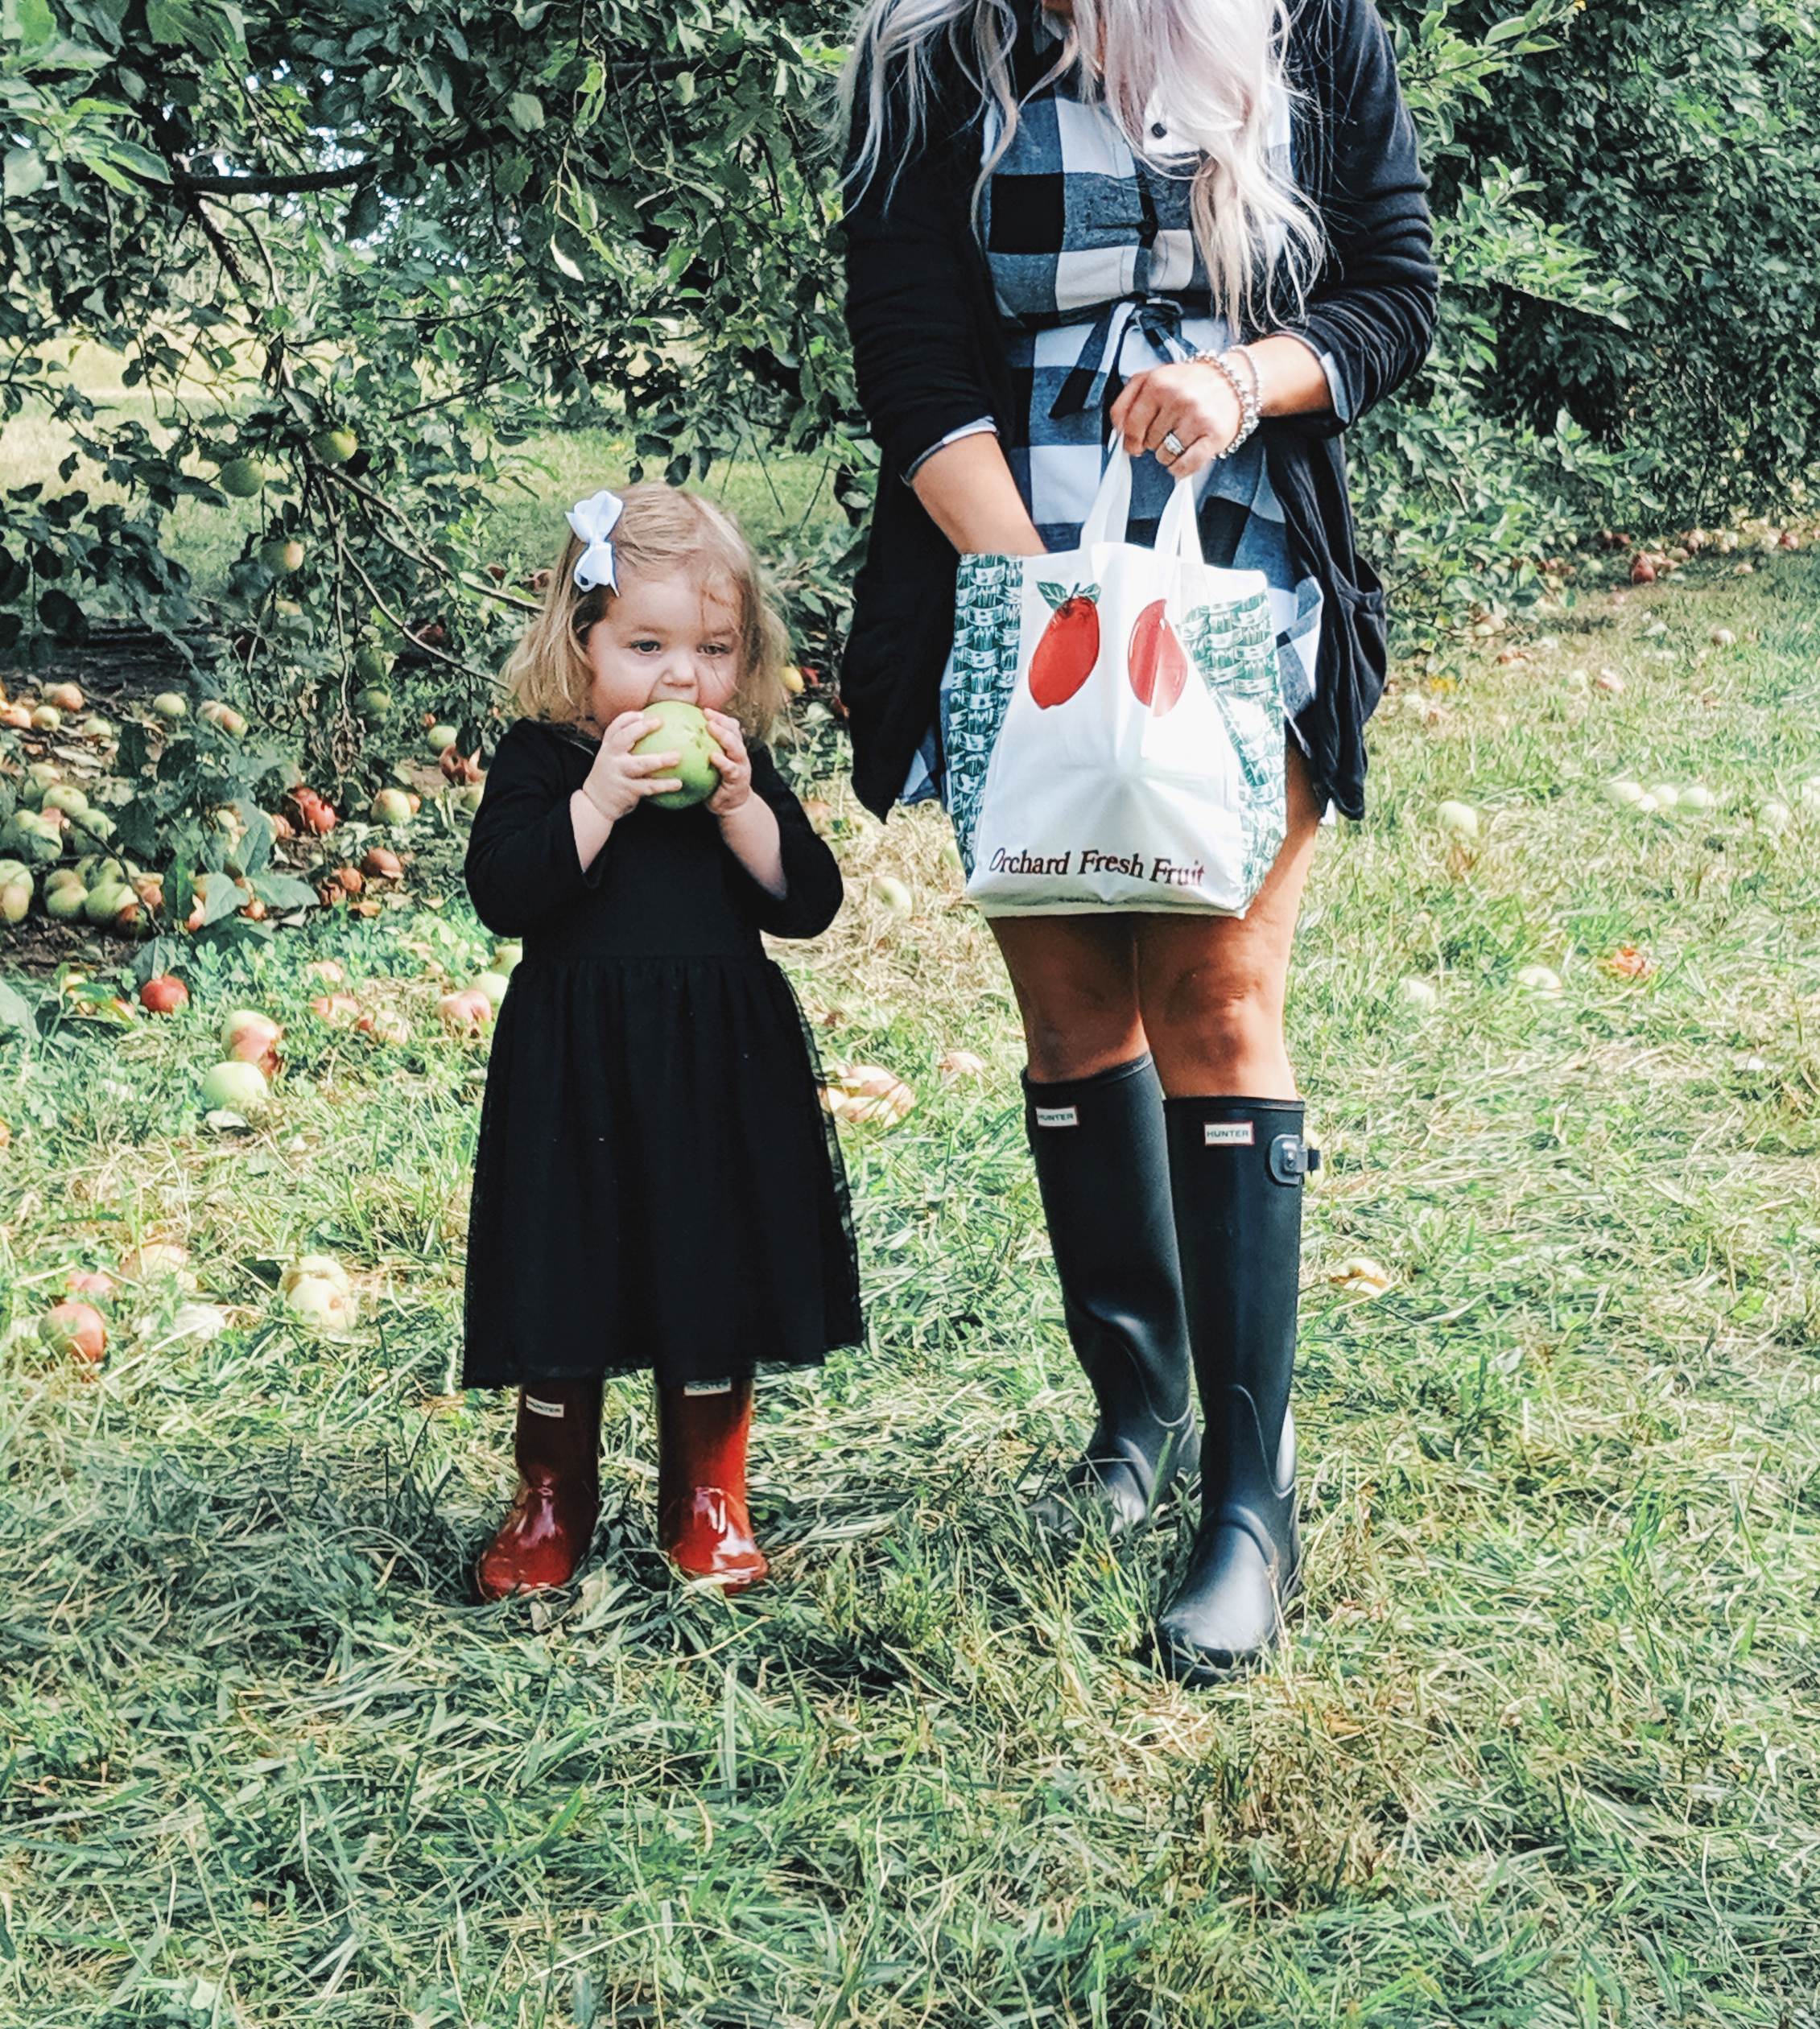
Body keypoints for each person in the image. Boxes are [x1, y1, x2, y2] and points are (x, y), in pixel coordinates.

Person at [840, 0, 1437, 1681]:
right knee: (1069, 1012)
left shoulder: (1319, 28)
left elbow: (1396, 295)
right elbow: (911, 353)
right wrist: (1047, 596)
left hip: (1233, 559)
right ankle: (1141, 1418)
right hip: (1012, 560)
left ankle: (1251, 1503)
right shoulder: (931, 56)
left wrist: (1247, 379)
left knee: (1215, 995)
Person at [463, 484, 863, 1602]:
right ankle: (552, 1492)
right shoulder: (546, 760)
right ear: (579, 644)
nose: (681, 677)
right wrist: (599, 798)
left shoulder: (736, 768)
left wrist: (741, 810)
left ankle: (706, 1491)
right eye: (646, 645)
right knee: (562, 1272)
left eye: (713, 647)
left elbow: (807, 902)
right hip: (573, 1066)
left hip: (715, 1068)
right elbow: (506, 889)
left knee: (711, 1265)